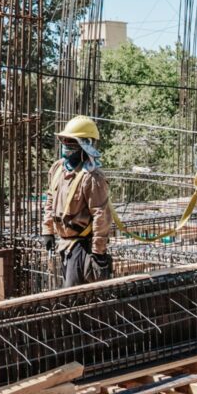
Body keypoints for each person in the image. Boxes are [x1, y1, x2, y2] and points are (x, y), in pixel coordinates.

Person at [41, 116, 112, 288]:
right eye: (64, 139)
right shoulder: (58, 168)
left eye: (71, 141)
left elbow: (101, 215)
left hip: (82, 246)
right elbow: (50, 199)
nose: (66, 143)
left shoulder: (92, 177)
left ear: (84, 144)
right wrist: (48, 230)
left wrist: (98, 252)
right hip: (64, 244)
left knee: (73, 297)